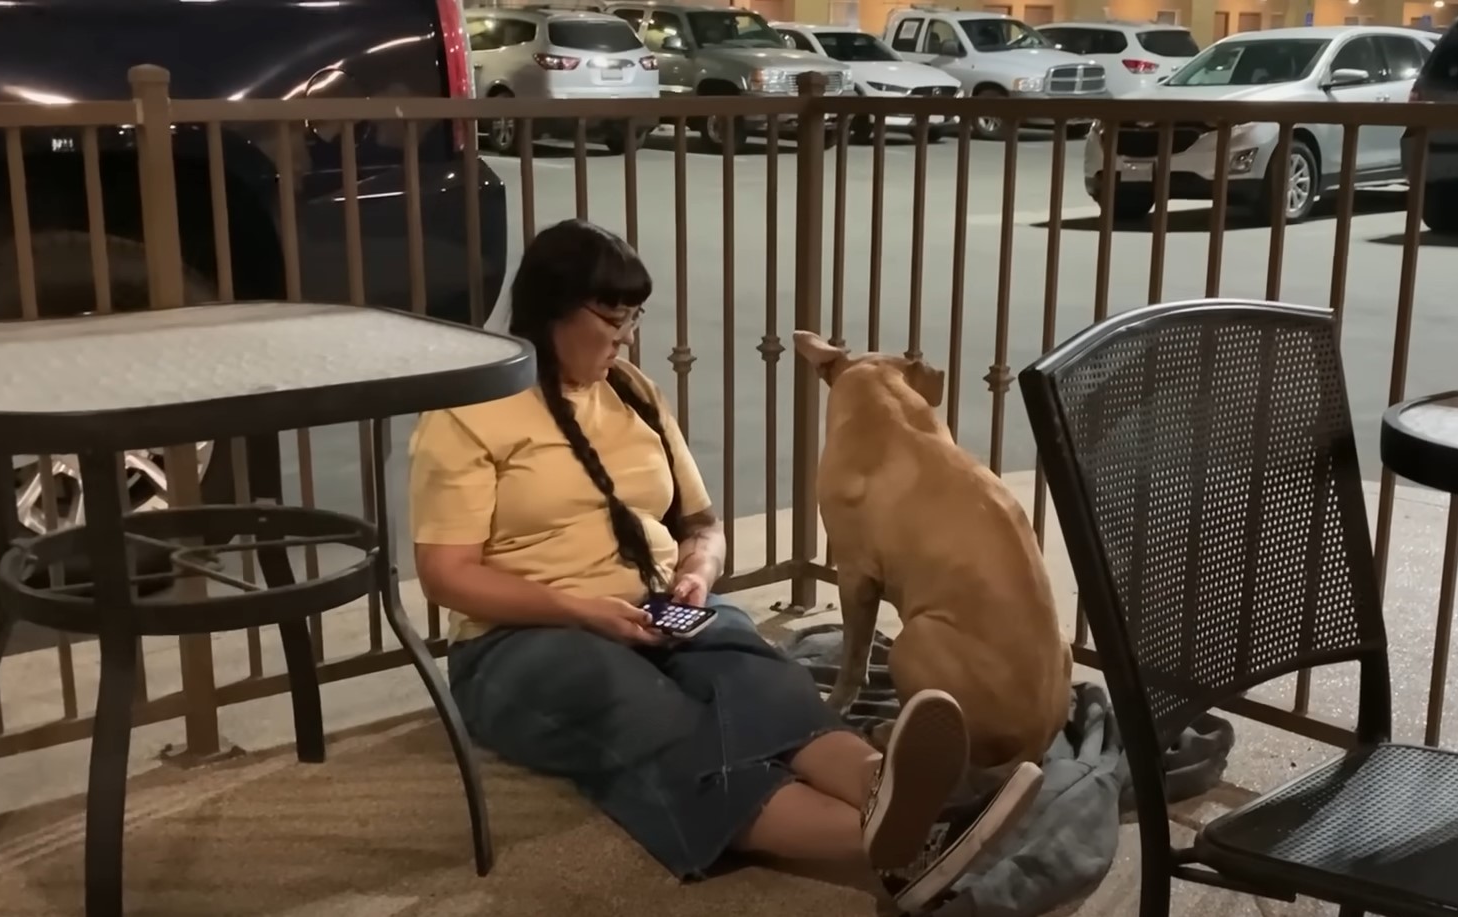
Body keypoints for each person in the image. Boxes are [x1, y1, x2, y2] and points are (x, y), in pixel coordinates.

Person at [408, 219, 1043, 912]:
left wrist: (697, 575)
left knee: (750, 663)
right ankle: (889, 842)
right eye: (612, 319)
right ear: (551, 308)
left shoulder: (633, 392)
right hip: (518, 639)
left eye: (634, 320)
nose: (626, 338)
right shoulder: (471, 410)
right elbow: (448, 574)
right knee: (651, 713)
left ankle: (888, 789)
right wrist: (583, 609)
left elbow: (701, 526)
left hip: (652, 605)